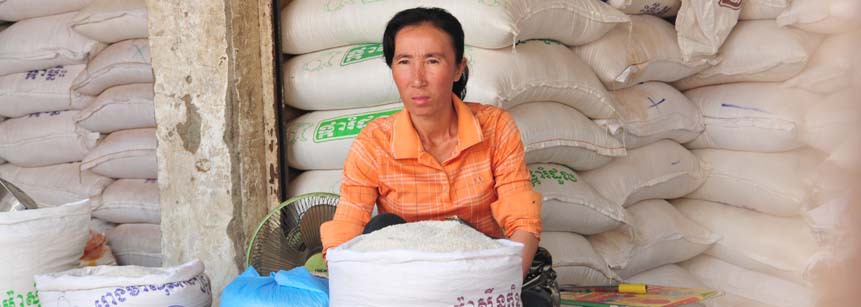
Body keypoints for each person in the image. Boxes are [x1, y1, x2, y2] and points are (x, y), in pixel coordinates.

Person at [319, 7, 558, 306]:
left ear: (458, 68)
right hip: (406, 286)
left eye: (432, 61)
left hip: (477, 278)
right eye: (404, 61)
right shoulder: (375, 142)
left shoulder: (495, 127)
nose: (417, 79)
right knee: (382, 227)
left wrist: (499, 290)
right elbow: (347, 228)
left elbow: (522, 220)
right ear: (392, 69)